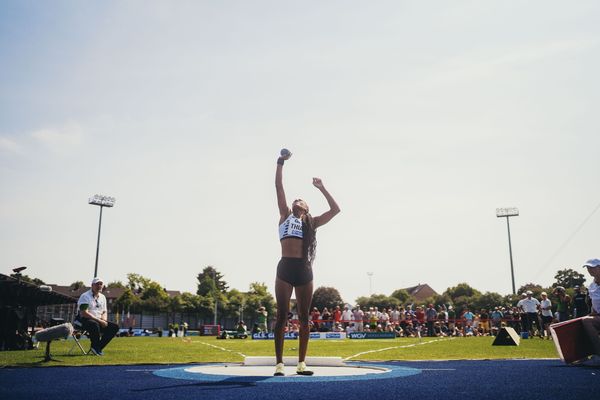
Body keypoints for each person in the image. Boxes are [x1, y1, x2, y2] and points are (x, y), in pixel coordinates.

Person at [273, 149, 340, 376]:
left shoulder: (312, 222)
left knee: (304, 317)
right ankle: (280, 364)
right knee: (282, 316)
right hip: (285, 268)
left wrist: (322, 188)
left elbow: (335, 210)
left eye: (300, 199)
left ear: (306, 207)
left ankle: (302, 363)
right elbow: (279, 188)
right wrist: (280, 162)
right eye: (294, 200)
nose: (295, 200)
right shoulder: (284, 215)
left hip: (303, 269)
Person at [76, 277, 119, 356]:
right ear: (92, 285)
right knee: (94, 324)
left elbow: (104, 311)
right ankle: (95, 347)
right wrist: (100, 321)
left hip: (97, 320)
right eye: (97, 284)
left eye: (101, 284)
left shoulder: (102, 297)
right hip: (83, 320)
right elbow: (84, 313)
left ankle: (97, 347)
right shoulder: (85, 296)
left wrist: (104, 320)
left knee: (115, 327)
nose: (99, 286)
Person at [580, 259, 600, 366]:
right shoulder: (591, 286)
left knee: (587, 321)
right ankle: (582, 355)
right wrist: (593, 313)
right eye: (588, 268)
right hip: (598, 317)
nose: (589, 270)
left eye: (592, 267)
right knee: (581, 321)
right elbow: (594, 305)